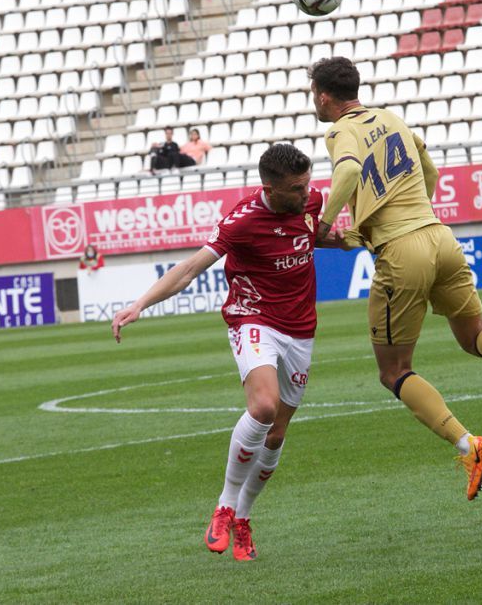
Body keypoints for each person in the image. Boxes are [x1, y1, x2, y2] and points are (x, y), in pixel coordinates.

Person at [308, 56, 482, 501]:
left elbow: (349, 171)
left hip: (401, 252)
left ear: (323, 96)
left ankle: (470, 445)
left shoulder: (338, 130)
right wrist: (412, 214)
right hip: (440, 236)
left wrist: (322, 222)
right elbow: (432, 173)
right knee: (474, 336)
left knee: (393, 372)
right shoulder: (393, 118)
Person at [112, 143, 342, 561]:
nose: (307, 193)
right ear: (269, 188)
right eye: (296, 188)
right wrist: (139, 304)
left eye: (308, 183)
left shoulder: (310, 201)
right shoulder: (242, 222)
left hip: (301, 329)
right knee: (264, 407)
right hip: (253, 318)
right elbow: (188, 269)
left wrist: (347, 240)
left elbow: (314, 235)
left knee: (276, 434)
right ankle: (224, 504)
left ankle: (244, 519)